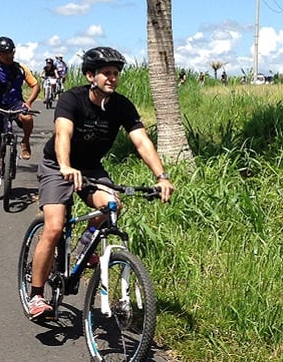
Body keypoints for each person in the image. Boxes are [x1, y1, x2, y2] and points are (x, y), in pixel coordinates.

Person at [26, 46, 175, 320]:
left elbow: (141, 141)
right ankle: (36, 295)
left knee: (112, 205)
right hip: (57, 165)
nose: (112, 78)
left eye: (116, 73)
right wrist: (65, 165)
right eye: (106, 73)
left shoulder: (122, 105)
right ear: (90, 76)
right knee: (55, 227)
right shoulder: (72, 99)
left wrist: (161, 176)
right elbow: (63, 134)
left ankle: (83, 247)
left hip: (91, 168)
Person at [0, 37, 40, 188]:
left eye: (10, 52)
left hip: (16, 103)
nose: (8, 56)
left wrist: (28, 102)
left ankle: (25, 141)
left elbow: (35, 85)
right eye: (4, 53)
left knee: (27, 118)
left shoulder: (21, 68)